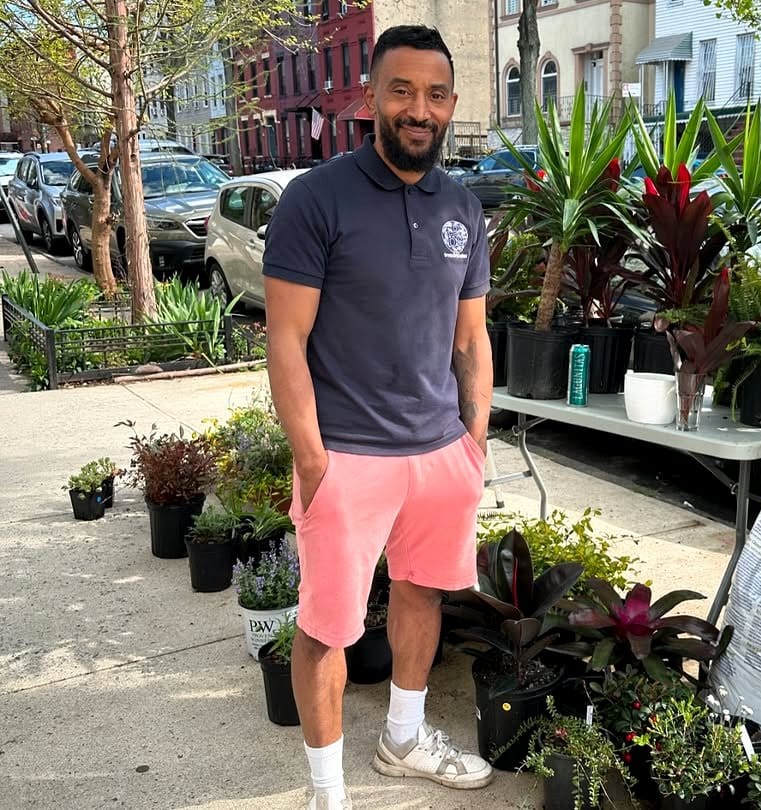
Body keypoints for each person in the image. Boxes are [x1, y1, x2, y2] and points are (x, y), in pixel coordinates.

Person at [261, 24, 494, 810]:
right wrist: (312, 460)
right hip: (348, 455)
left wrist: (474, 443)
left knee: (422, 595)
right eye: (402, 90)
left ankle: (403, 738)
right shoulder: (317, 198)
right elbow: (286, 339)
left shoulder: (463, 206)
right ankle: (328, 794)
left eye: (435, 94)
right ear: (371, 97)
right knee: (328, 627)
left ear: (451, 104)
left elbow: (471, 337)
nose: (419, 109)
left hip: (440, 452)